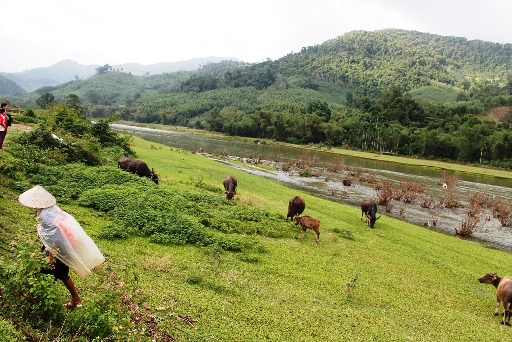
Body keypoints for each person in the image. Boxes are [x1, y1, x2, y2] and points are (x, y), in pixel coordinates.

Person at [18, 185, 105, 308]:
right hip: (66, 244)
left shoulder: (45, 216)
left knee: (42, 268)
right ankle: (75, 299)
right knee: (61, 273)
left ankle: (39, 298)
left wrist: (50, 253)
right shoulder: (52, 208)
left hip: (58, 247)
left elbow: (55, 236)